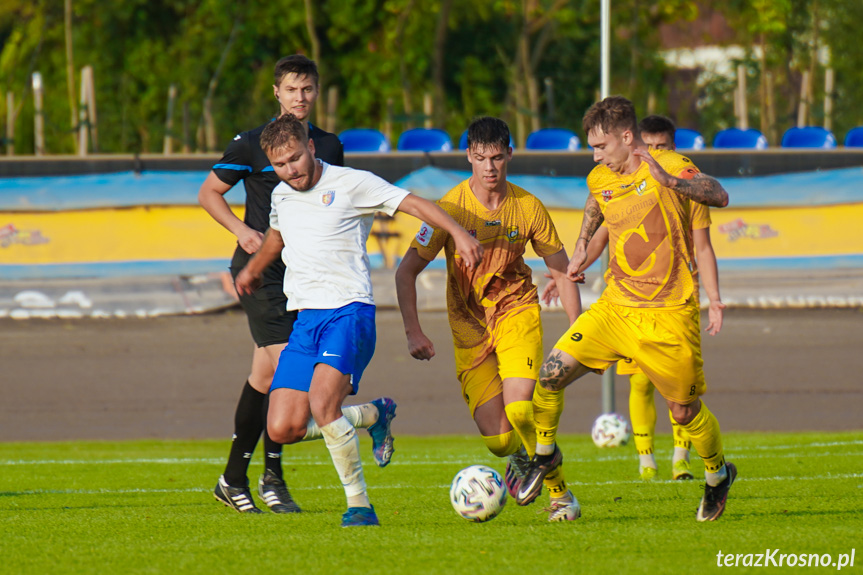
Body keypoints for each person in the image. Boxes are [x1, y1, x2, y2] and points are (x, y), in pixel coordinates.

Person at [234, 113, 482, 527]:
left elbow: (414, 203)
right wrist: (255, 268)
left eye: (295, 158)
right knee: (281, 428)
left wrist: (458, 234)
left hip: (349, 312)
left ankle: (360, 506)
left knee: (323, 403)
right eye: (280, 165)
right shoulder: (281, 195)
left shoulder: (352, 183)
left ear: (310, 148)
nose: (290, 170)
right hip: (306, 321)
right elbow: (276, 237)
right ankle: (373, 415)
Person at [517, 96, 736, 523]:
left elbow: (720, 194)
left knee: (683, 412)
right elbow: (597, 214)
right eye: (592, 148)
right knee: (550, 375)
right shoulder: (599, 178)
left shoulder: (671, 166)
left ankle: (716, 476)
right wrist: (577, 257)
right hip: (616, 308)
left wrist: (671, 183)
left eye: (601, 146)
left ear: (626, 137)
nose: (595, 156)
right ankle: (545, 455)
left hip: (670, 313)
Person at [198, 55, 396, 515]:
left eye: (307, 89)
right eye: (291, 90)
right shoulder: (253, 144)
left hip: (307, 280)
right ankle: (273, 476)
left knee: (264, 377)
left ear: (316, 92)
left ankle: (232, 478)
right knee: (294, 382)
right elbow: (208, 192)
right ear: (277, 94)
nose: (300, 98)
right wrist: (241, 232)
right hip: (263, 275)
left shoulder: (328, 144)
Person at [394, 117, 583, 521]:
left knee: (519, 410)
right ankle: (520, 459)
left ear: (509, 154)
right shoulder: (448, 209)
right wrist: (413, 331)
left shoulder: (528, 207)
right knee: (498, 440)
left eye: (497, 157)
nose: (489, 168)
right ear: (468, 157)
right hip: (469, 328)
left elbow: (563, 270)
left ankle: (561, 497)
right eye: (480, 158)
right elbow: (405, 271)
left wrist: (578, 329)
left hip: (517, 311)